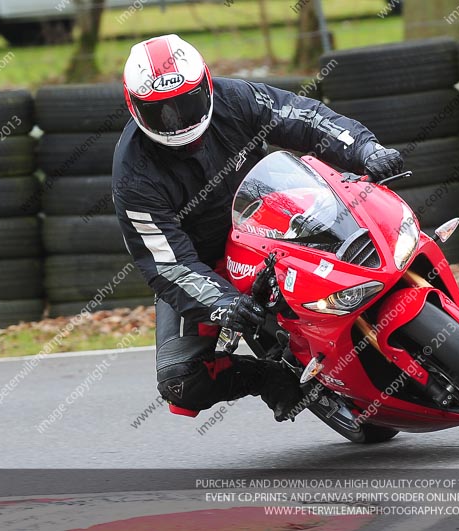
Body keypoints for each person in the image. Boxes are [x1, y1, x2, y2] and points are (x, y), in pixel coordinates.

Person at [112, 34, 403, 422]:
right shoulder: (133, 175)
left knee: (361, 213)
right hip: (204, 263)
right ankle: (271, 377)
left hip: (278, 217)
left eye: (187, 104)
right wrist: (221, 303)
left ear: (206, 85)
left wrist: (367, 149)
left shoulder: (237, 98)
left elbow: (307, 118)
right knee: (180, 382)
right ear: (134, 108)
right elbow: (167, 263)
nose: (177, 121)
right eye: (161, 112)